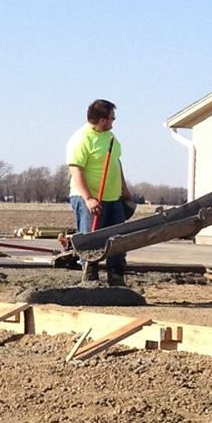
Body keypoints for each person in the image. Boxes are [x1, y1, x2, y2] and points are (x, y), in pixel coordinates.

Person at [67, 99, 135, 285]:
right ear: (103, 119)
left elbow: (116, 163)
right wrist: (88, 198)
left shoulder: (111, 137)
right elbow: (76, 169)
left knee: (118, 240)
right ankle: (90, 278)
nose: (114, 122)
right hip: (89, 198)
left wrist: (124, 188)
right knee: (92, 239)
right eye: (112, 118)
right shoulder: (81, 139)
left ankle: (116, 278)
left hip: (113, 198)